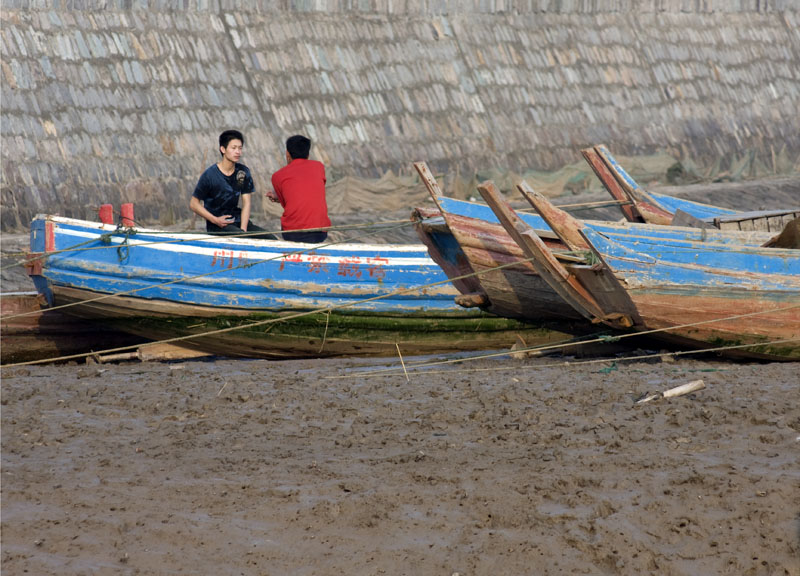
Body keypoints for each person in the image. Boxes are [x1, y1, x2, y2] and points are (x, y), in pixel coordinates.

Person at [191, 129, 275, 239]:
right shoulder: (210, 175)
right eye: (234, 148)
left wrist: (243, 230)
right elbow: (193, 204)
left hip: (238, 221)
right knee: (241, 237)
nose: (238, 152)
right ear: (223, 149)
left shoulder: (243, 171)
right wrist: (215, 220)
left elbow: (246, 202)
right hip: (218, 225)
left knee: (270, 238)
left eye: (240, 148)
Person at [266, 134, 331, 243]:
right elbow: (308, 191)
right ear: (308, 154)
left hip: (293, 233)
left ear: (287, 154)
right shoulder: (319, 167)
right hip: (320, 231)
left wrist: (277, 196)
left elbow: (287, 203)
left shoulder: (278, 176)